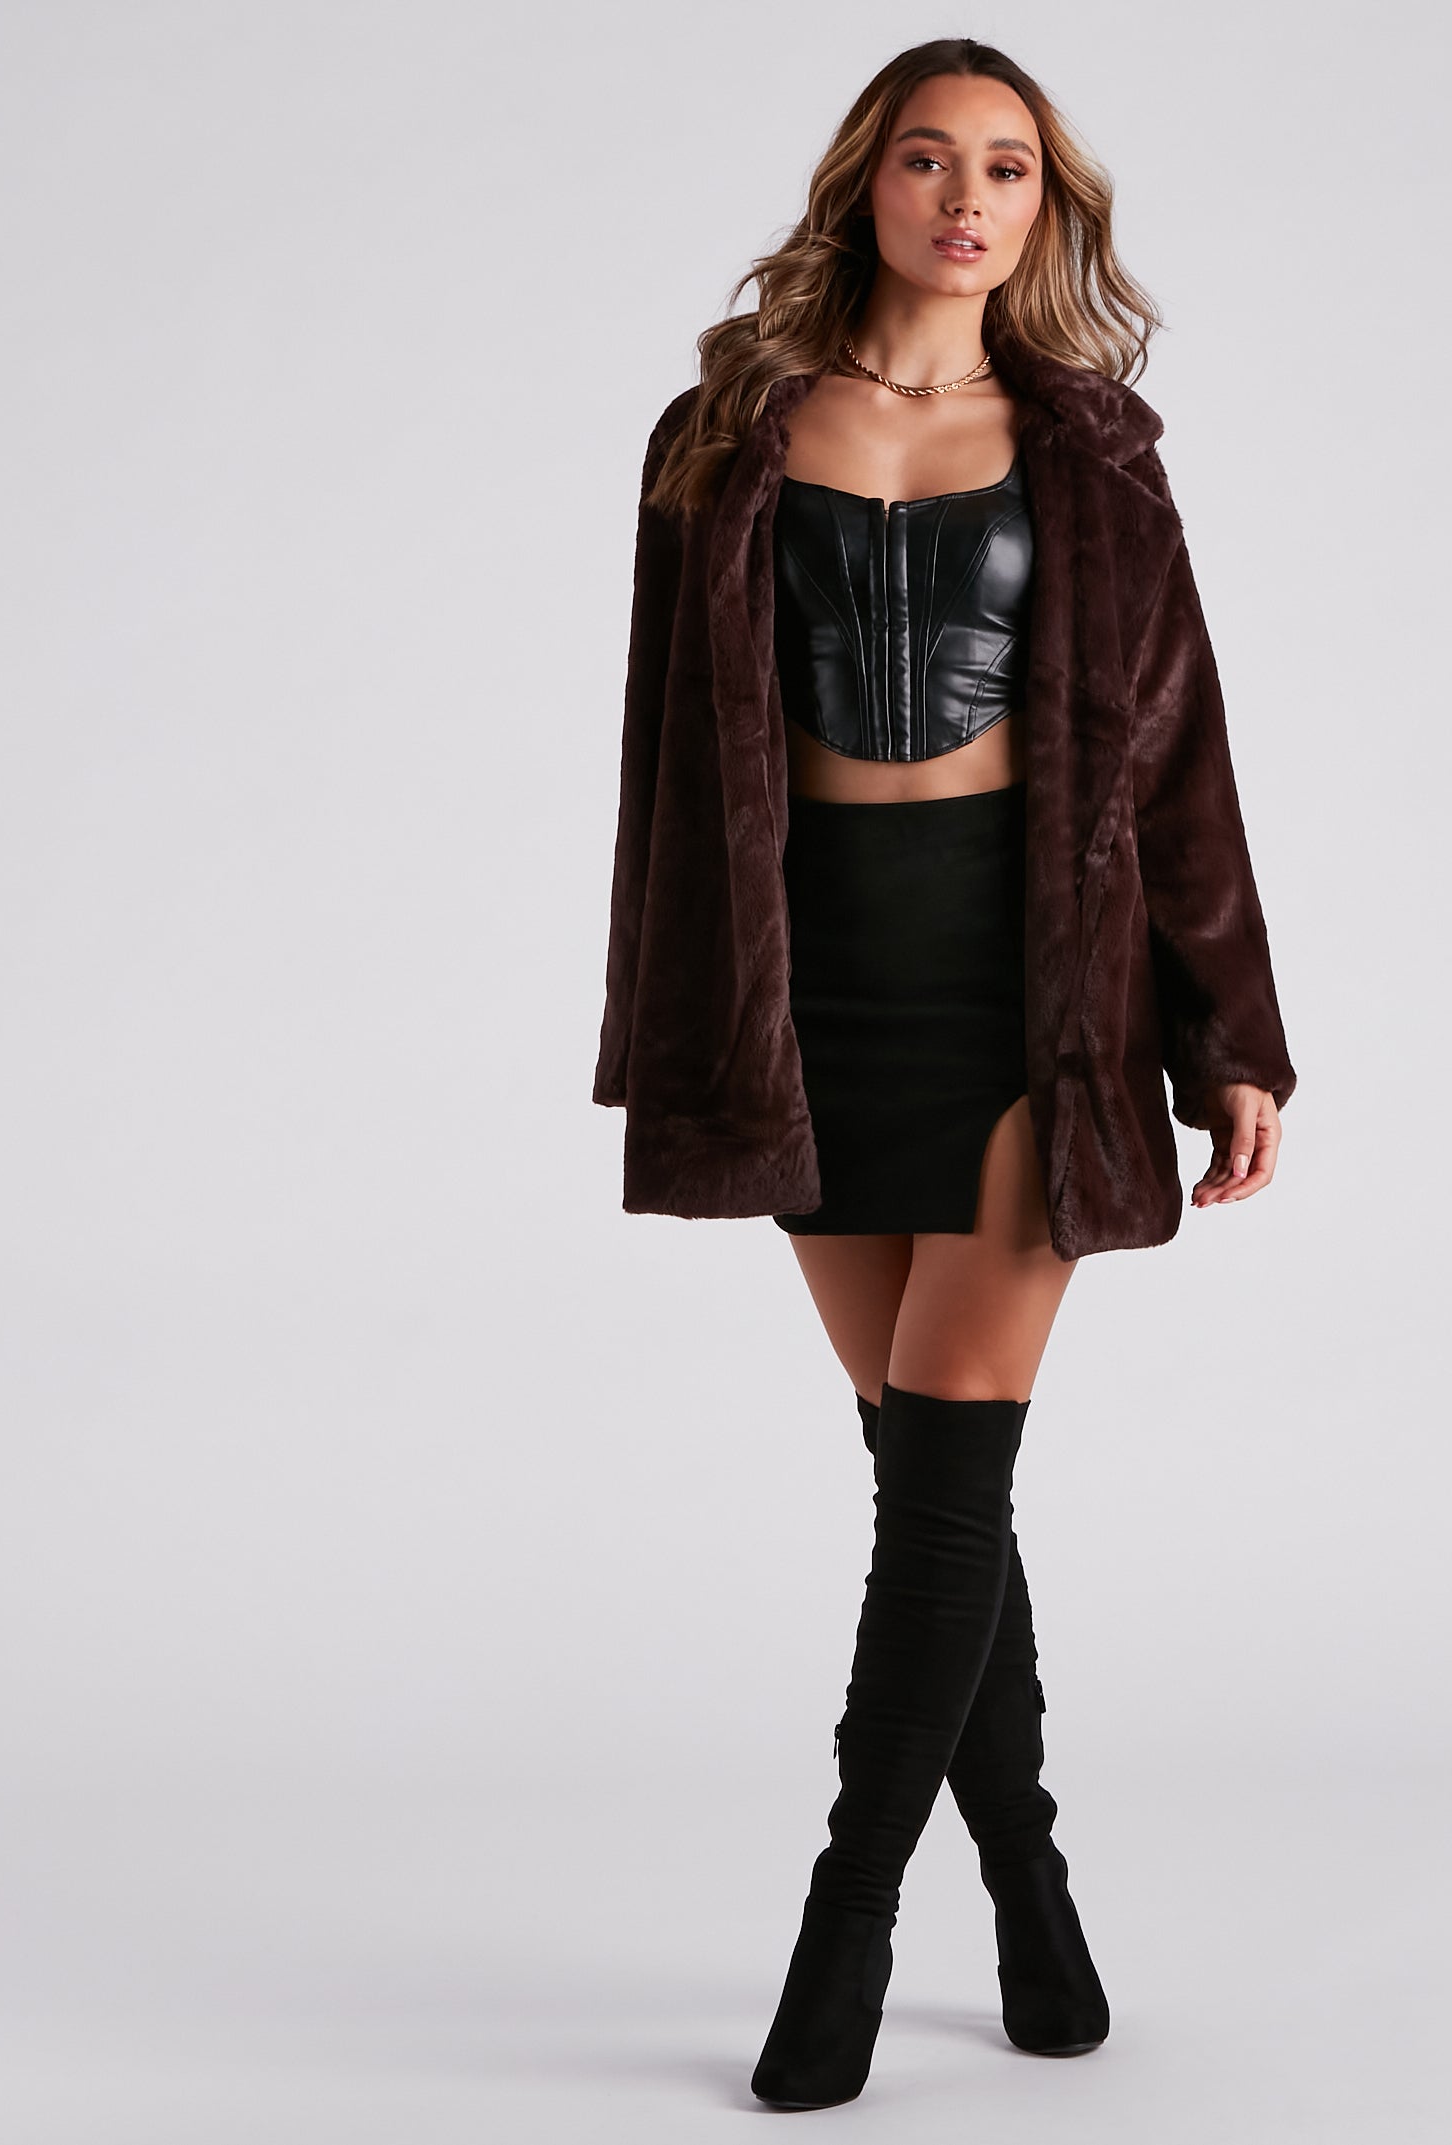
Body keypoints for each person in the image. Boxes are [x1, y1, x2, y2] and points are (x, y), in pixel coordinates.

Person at [596, 36, 1298, 2111]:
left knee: (943, 1484)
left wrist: (1229, 1035)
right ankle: (1034, 1895)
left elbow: (1173, 747)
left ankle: (843, 1929)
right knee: (927, 1480)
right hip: (804, 1003)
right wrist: (668, 1016)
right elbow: (663, 759)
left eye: (1006, 167)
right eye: (928, 158)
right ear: (866, 186)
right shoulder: (722, 435)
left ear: (1042, 209)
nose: (966, 198)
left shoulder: (1090, 449)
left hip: (1026, 1003)